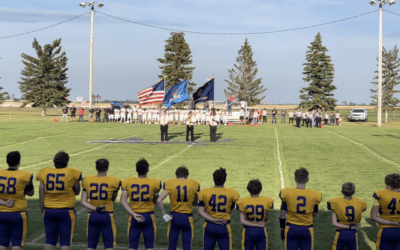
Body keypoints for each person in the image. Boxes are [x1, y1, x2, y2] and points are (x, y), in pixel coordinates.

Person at [36, 151, 82, 250]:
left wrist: (43, 210)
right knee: (65, 243)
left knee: (49, 242)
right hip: (66, 211)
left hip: (49, 210)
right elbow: (77, 191)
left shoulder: (44, 172)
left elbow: (41, 194)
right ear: (67, 162)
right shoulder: (72, 172)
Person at [120, 159, 162, 250]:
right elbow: (155, 201)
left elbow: (122, 201)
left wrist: (134, 214)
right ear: (147, 170)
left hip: (134, 216)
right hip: (149, 216)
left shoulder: (128, 181)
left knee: (132, 247)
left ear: (136, 170)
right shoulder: (155, 182)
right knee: (150, 247)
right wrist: (155, 193)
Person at [81, 159, 121, 250]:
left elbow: (83, 202)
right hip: (107, 215)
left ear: (96, 168)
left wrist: (96, 208)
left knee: (91, 246)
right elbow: (113, 198)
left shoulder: (87, 180)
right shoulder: (114, 180)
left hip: (93, 215)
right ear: (107, 168)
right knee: (109, 246)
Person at [157, 166, 200, 250]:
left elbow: (159, 200)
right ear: (187, 176)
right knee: (187, 246)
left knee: (172, 246)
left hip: (174, 217)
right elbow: (195, 203)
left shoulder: (170, 183)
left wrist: (164, 215)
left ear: (176, 176)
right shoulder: (193, 183)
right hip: (188, 218)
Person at [279, 168, 322, 250]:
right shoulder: (315, 194)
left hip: (291, 228)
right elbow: (315, 214)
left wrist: (282, 229)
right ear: (307, 180)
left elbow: (282, 215)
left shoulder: (287, 193)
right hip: (307, 229)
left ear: (295, 179)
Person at [197, 168, 240, 250]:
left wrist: (213, 220)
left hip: (209, 225)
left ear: (213, 178)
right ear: (225, 179)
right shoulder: (232, 193)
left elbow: (200, 211)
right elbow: (233, 207)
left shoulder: (205, 192)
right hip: (224, 225)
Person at [0, 151, 34, 250]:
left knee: (2, 244)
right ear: (19, 162)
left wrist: (5, 203)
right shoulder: (25, 175)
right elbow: (30, 193)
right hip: (17, 214)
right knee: (17, 244)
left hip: (1, 213)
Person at [327, 182, 367, 250]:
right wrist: (352, 226)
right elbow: (363, 209)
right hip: (353, 233)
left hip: (340, 233)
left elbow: (334, 223)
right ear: (354, 192)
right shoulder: (361, 202)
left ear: (341, 191)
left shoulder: (335, 202)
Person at [236, 179, 273, 250]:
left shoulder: (242, 201)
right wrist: (264, 223)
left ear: (248, 189)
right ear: (261, 189)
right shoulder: (267, 201)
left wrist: (255, 224)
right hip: (261, 230)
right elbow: (267, 215)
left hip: (248, 230)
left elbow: (242, 221)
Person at [371, 173, 400, 250]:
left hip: (385, 230)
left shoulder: (380, 194)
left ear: (389, 184)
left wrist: (391, 222)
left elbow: (373, 217)